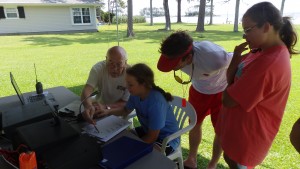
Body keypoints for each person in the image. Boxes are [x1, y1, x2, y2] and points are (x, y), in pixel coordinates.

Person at [216, 2, 298, 168]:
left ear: (266, 27)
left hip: (249, 137)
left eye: (248, 30)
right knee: (229, 158)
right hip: (237, 129)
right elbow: (231, 79)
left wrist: (229, 89)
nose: (244, 36)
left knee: (235, 162)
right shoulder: (259, 51)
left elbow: (227, 100)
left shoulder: (268, 63)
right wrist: (235, 59)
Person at [157, 31, 233, 169]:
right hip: (198, 91)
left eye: (174, 63)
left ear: (188, 57)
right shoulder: (175, 53)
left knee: (220, 130)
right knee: (194, 123)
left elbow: (237, 60)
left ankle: (213, 164)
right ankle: (191, 158)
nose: (172, 66)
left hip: (221, 92)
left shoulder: (215, 57)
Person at [83, 63, 180, 155]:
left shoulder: (156, 103)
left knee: (144, 155)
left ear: (143, 84)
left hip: (167, 137)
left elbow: (152, 137)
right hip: (147, 129)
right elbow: (125, 110)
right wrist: (107, 111)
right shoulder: (136, 94)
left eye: (130, 84)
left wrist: (131, 148)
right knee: (120, 139)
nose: (126, 87)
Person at [80, 46, 130, 116]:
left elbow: (125, 102)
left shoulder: (131, 75)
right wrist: (89, 106)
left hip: (120, 110)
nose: (114, 68)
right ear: (106, 59)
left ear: (125, 62)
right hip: (100, 105)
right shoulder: (98, 69)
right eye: (111, 63)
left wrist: (106, 107)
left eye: (119, 64)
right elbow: (87, 89)